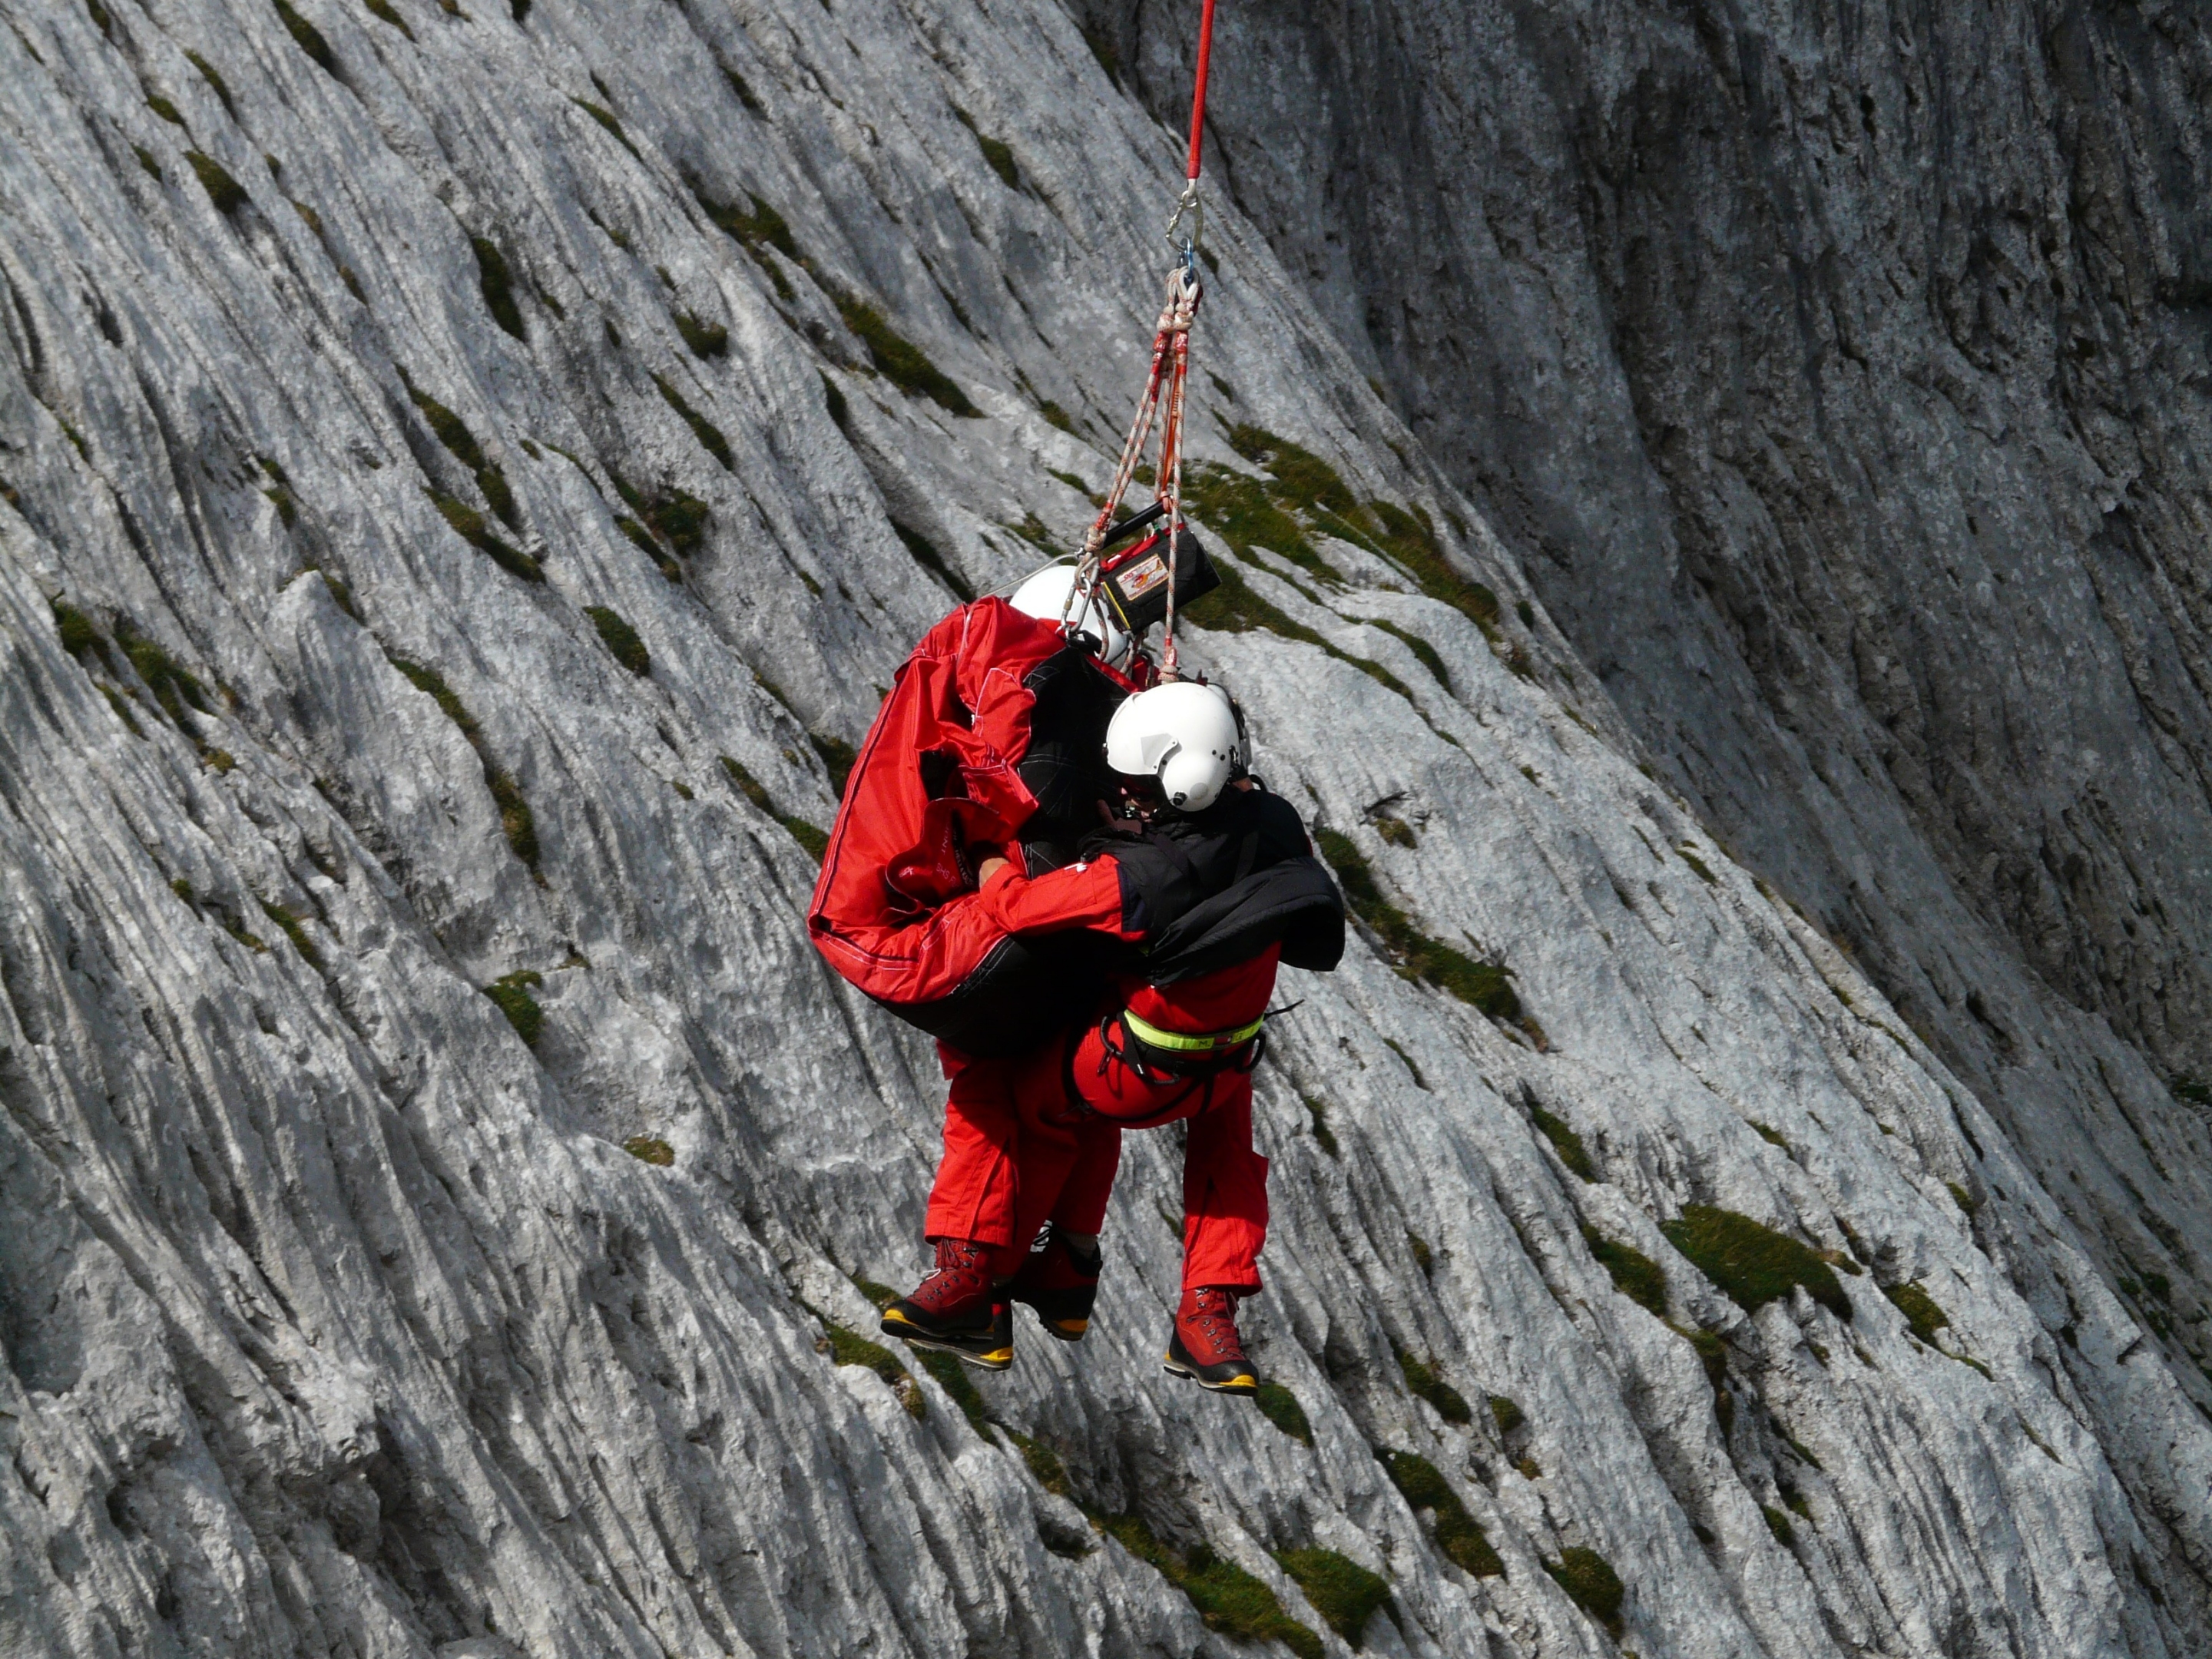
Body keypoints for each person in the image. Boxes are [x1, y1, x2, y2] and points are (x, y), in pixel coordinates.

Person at [882, 680, 1345, 1389]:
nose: (1127, 796)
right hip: (1225, 1067)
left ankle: (976, 1282)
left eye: (1137, 787)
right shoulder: (1274, 821)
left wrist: (986, 850)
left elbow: (1016, 907)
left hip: (1130, 1075)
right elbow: (1205, 837)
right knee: (1224, 1159)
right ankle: (1203, 1313)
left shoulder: (1137, 880)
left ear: (1175, 784)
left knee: (1001, 1088)